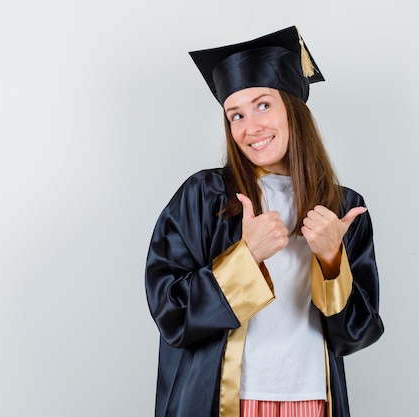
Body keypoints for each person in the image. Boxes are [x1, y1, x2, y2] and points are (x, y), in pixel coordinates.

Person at [145, 26, 384, 417]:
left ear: (293, 108)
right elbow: (171, 314)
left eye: (262, 105)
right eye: (235, 114)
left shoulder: (341, 208)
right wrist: (246, 257)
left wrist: (329, 262)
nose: (250, 127)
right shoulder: (205, 198)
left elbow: (355, 335)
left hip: (311, 399)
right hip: (222, 401)